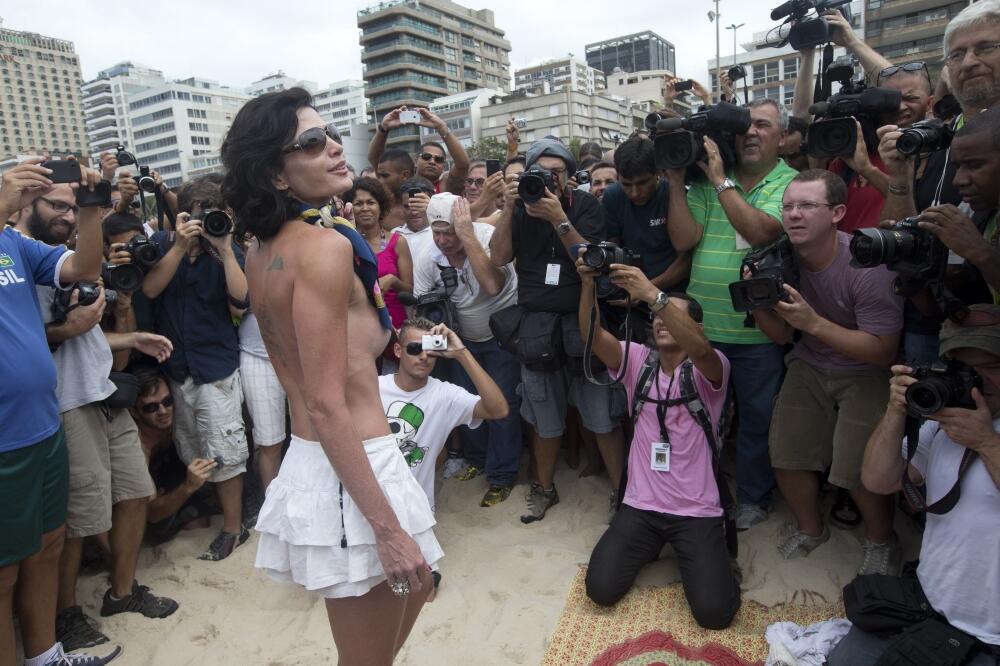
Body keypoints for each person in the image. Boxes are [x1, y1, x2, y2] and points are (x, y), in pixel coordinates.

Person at [221, 86, 442, 664]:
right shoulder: (320, 247)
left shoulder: (265, 247)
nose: (335, 148)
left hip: (334, 456)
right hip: (351, 459)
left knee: (419, 585)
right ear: (275, 173)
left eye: (331, 134)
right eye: (313, 142)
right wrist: (386, 528)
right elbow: (324, 401)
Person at [18, 190, 178, 651]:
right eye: (54, 205)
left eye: (73, 208)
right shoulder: (20, 263)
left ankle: (121, 593)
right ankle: (65, 615)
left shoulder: (66, 260)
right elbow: (34, 335)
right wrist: (72, 329)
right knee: (80, 519)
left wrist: (133, 335)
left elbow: (85, 333)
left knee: (134, 493)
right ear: (25, 204)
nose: (66, 216)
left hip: (103, 391)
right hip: (66, 401)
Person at [0, 158, 123, 666]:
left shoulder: (13, 245)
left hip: (42, 426)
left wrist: (91, 209)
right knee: (4, 571)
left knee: (48, 546)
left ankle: (45, 656)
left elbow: (82, 268)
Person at [827, 305, 1000, 665]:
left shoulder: (976, 430)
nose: (980, 381)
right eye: (967, 369)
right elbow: (878, 479)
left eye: (993, 367)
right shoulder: (945, 420)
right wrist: (896, 411)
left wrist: (986, 443)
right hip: (927, 604)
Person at [751, 170, 904, 574]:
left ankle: (880, 540)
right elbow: (783, 335)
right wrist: (756, 302)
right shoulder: (779, 259)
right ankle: (811, 529)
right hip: (810, 360)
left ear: (838, 212)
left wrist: (814, 323)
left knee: (857, 466)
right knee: (787, 450)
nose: (794, 215)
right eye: (788, 207)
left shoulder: (866, 265)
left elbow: (883, 351)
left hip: (866, 368)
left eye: (807, 206)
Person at [576, 257, 740, 630]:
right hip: (641, 505)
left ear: (695, 326)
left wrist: (653, 293)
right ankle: (656, 546)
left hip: (697, 510)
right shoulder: (637, 360)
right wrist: (587, 284)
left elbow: (700, 351)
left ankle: (702, 555)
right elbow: (591, 335)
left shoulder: (713, 366)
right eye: (656, 314)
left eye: (672, 313)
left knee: (715, 614)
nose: (661, 319)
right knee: (600, 589)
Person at [665, 98, 798, 530]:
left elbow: (760, 232)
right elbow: (685, 241)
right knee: (699, 418)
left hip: (756, 334)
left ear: (782, 136)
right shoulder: (703, 183)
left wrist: (721, 179)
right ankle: (701, 488)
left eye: (764, 125)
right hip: (702, 329)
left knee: (757, 422)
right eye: (745, 126)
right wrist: (674, 181)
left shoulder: (789, 183)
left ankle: (754, 498)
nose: (752, 133)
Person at [490, 135, 626, 523]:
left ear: (569, 176)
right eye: (540, 174)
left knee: (601, 415)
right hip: (536, 325)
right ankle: (543, 489)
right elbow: (499, 257)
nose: (548, 181)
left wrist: (558, 218)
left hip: (582, 321)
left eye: (556, 173)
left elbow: (593, 259)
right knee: (545, 418)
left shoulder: (584, 205)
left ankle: (621, 492)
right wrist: (508, 207)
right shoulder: (518, 209)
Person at [141, 178, 250, 561]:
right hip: (177, 367)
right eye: (196, 214)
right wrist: (179, 245)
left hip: (215, 367)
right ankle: (209, 509)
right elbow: (151, 290)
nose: (204, 222)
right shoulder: (160, 245)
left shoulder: (226, 247)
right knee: (192, 447)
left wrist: (225, 250)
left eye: (210, 213)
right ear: (182, 214)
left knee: (226, 450)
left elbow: (241, 300)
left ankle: (234, 529)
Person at [413, 194, 521, 506]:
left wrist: (469, 235)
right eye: (437, 233)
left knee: (503, 407)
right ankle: (477, 459)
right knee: (467, 404)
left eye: (450, 232)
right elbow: (422, 310)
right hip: (461, 341)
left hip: (502, 339)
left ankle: (502, 476)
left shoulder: (487, 238)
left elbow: (492, 285)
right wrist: (430, 348)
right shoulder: (428, 257)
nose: (444, 240)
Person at [379, 318, 509, 511]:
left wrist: (461, 353)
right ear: (398, 351)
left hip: (416, 510)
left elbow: (498, 409)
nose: (424, 356)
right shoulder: (374, 387)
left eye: (431, 349)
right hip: (369, 506)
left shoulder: (445, 395)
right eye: (415, 348)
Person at [130, 366, 220, 545]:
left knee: (199, 522)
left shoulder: (178, 422)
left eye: (167, 401)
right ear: (134, 412)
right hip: (150, 517)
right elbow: (151, 514)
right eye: (151, 407)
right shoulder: (137, 448)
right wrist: (188, 486)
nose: (163, 411)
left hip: (174, 480)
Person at [603, 136, 690, 294]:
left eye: (642, 183)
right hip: (628, 289)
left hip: (674, 292)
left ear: (658, 173)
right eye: (626, 184)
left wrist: (648, 290)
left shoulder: (675, 194)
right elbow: (612, 248)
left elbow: (686, 260)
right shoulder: (612, 196)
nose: (634, 193)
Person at [348, 177, 413, 329]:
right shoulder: (346, 243)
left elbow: (410, 291)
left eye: (370, 202)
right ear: (350, 208)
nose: (365, 208)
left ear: (381, 207)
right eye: (358, 203)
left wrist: (393, 280)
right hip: (361, 326)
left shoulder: (398, 242)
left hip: (396, 325)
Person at [369, 106, 470, 195]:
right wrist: (383, 128)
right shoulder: (403, 180)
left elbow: (463, 165)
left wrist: (441, 127)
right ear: (416, 160)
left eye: (438, 160)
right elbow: (375, 159)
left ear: (443, 166)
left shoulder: (446, 185)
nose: (432, 162)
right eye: (426, 157)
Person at [375, 149, 416, 231]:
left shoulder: (427, 206)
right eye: (379, 176)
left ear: (405, 175)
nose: (380, 181)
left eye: (385, 176)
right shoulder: (377, 208)